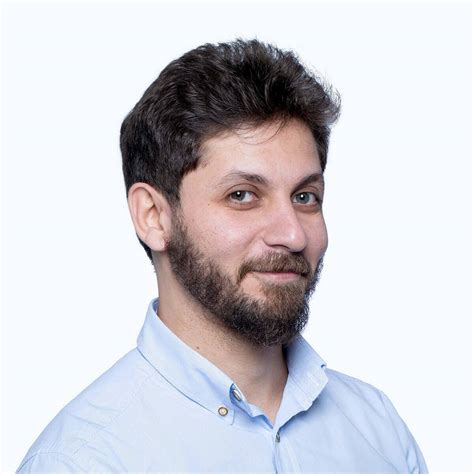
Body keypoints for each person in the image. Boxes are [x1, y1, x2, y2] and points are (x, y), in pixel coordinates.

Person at [17, 38, 428, 473]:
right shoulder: (81, 461)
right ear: (153, 216)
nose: (292, 234)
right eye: (242, 195)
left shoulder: (378, 429)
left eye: (305, 196)